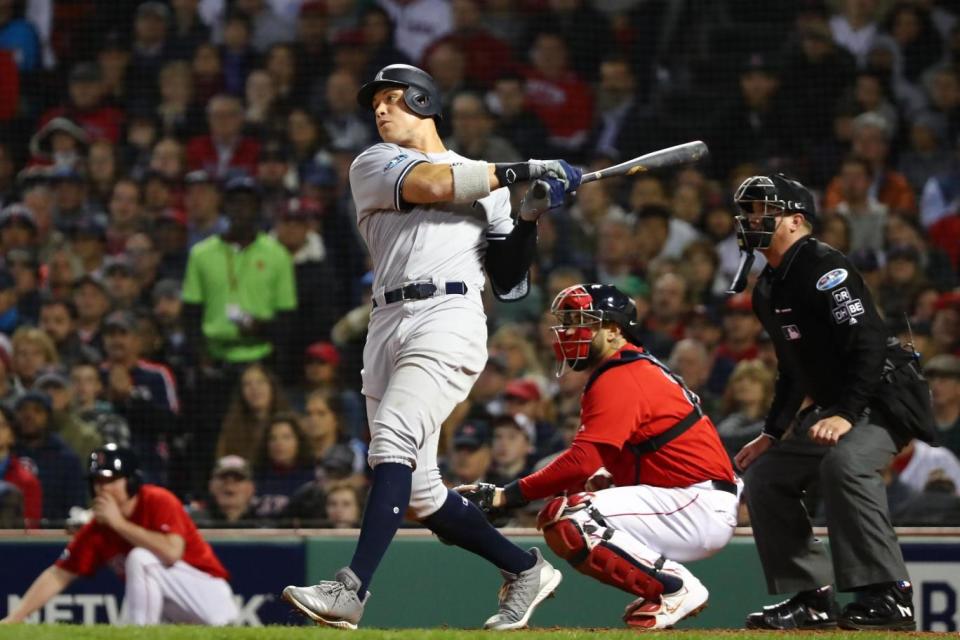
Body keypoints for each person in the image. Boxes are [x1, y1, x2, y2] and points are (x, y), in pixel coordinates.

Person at [282, 63, 582, 631]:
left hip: (449, 317)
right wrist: (523, 171)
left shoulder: (487, 179)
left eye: (393, 100)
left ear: (423, 101)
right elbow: (436, 184)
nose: (380, 110)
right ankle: (525, 569)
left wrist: (528, 217)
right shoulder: (373, 163)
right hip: (386, 323)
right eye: (375, 103)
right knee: (419, 492)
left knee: (392, 435)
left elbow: (510, 279)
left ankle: (351, 589)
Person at [457, 284, 740, 628]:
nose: (567, 331)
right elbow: (614, 459)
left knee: (571, 517)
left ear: (613, 330)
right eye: (565, 321)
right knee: (577, 503)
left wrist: (507, 495)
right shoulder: (628, 369)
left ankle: (673, 586)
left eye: (580, 321)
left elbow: (582, 460)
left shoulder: (622, 375)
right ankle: (663, 586)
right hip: (689, 497)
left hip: (695, 502)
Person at [730, 174, 934, 631]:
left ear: (797, 221)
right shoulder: (768, 286)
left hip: (882, 399)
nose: (751, 219)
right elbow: (791, 368)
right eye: (748, 211)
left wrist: (843, 412)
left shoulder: (824, 266)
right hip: (837, 405)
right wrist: (771, 432)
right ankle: (811, 598)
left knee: (844, 463)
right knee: (766, 476)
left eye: (763, 210)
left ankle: (889, 594)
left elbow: (870, 346)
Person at [0, 444, 237, 625]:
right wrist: (14, 618)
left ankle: (140, 634)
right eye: (97, 480)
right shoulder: (100, 525)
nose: (102, 487)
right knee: (136, 579)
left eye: (110, 479)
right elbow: (58, 575)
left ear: (132, 481)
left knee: (140, 558)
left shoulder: (157, 499)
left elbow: (172, 552)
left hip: (210, 600)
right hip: (172, 614)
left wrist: (120, 524)